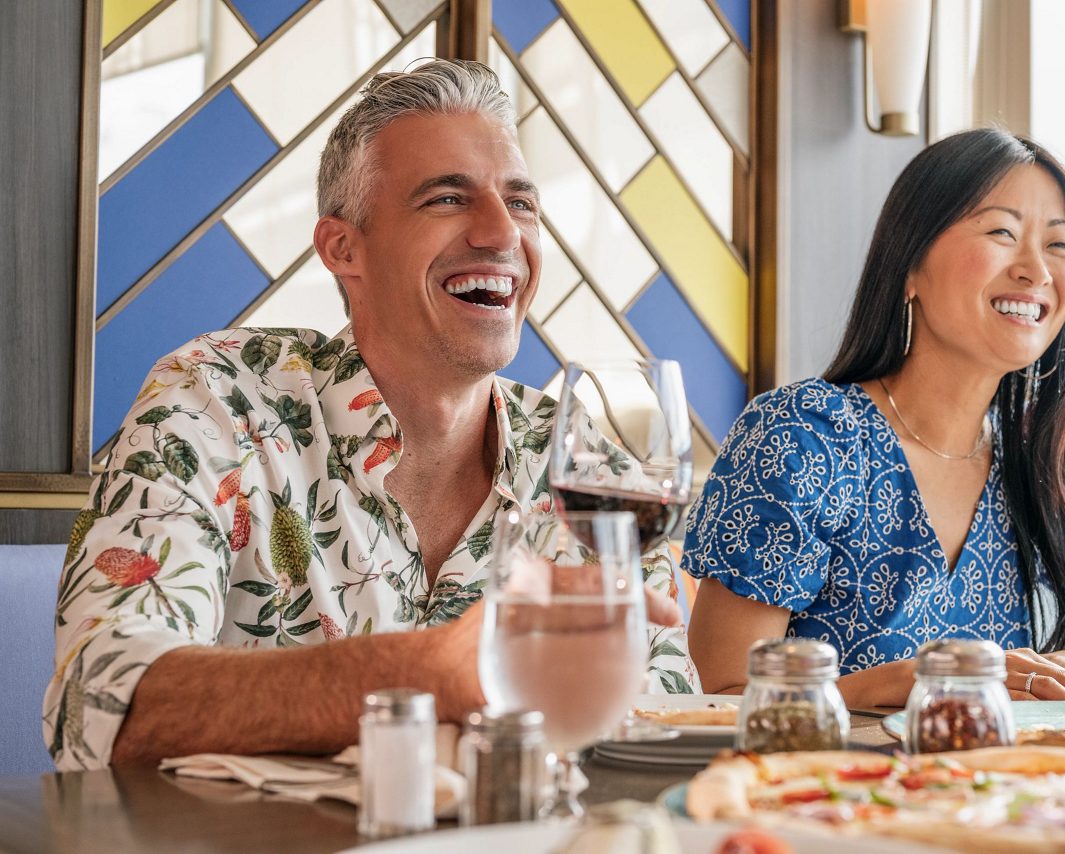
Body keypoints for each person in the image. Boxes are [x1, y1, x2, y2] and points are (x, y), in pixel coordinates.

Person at [45, 60, 699, 770]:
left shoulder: (587, 470)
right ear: (342, 248)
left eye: (521, 203)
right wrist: (424, 673)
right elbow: (103, 707)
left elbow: (662, 741)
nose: (500, 233)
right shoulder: (215, 401)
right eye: (448, 199)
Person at [681, 128, 1065, 707]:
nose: (1037, 271)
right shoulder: (804, 435)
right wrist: (918, 681)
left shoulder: (1052, 456)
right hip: (815, 797)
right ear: (909, 265)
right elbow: (726, 696)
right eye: (1001, 231)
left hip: (1001, 800)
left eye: (1060, 245)